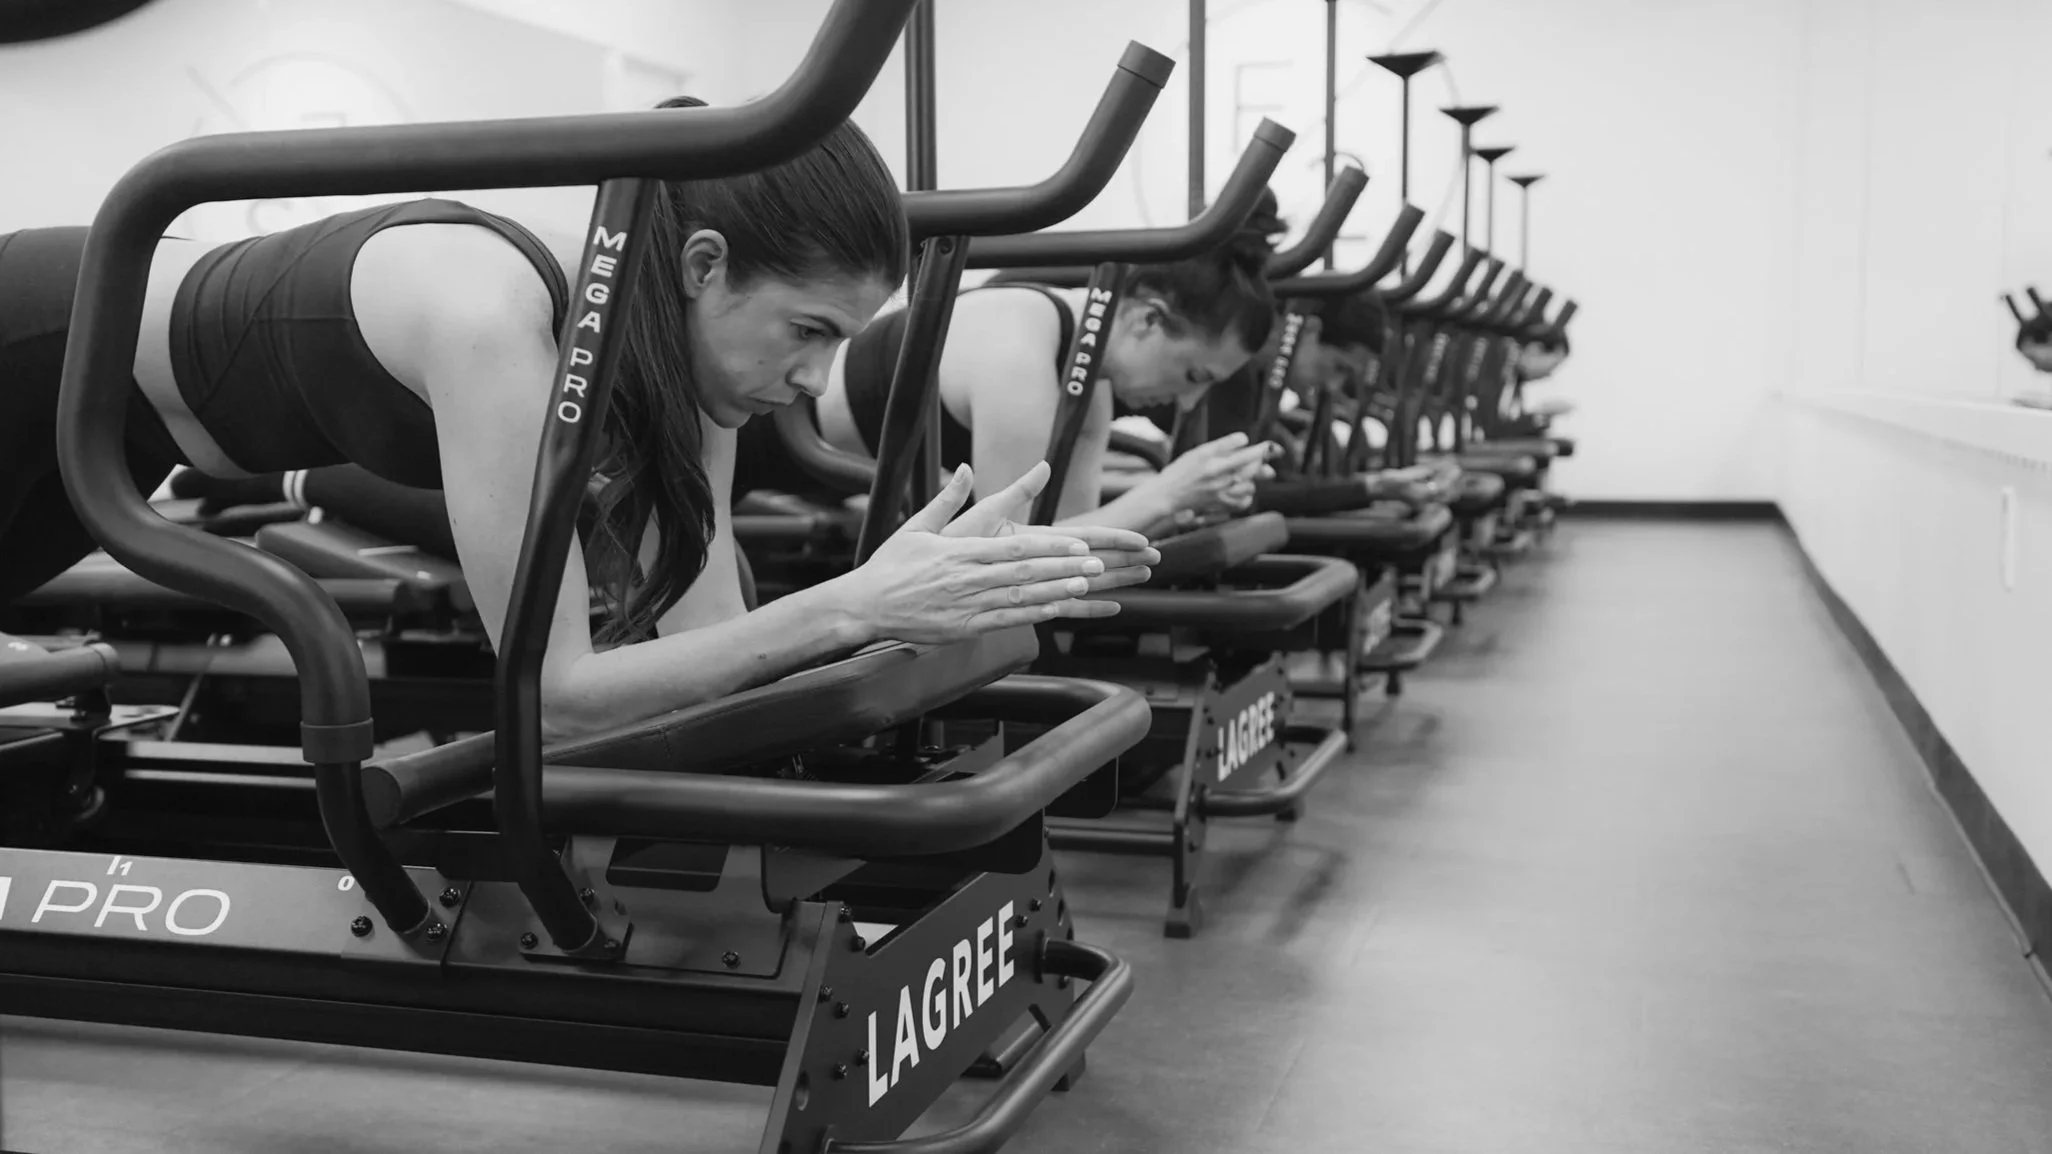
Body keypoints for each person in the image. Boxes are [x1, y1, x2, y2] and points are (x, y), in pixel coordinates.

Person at [0, 96, 1156, 739]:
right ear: (704, 266)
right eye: (807, 330)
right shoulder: (496, 321)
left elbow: (711, 637)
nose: (817, 378)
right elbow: (549, 693)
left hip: (133, 440)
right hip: (39, 348)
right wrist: (854, 605)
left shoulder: (685, 360)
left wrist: (917, 611)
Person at [810, 195, 1291, 536]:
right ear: (1148, 319)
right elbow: (1006, 549)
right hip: (786, 453)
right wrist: (1164, 493)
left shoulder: (1088, 371)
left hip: (848, 479)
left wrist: (1182, 504)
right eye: (1193, 377)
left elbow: (1065, 533)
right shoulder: (1021, 349)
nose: (1188, 402)